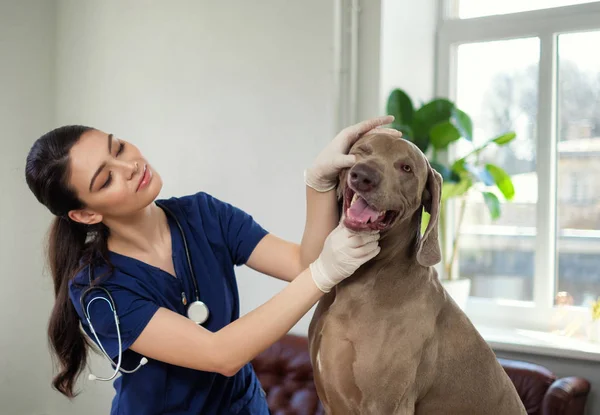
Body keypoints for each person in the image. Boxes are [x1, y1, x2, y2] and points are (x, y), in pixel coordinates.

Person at [24, 116, 399, 414]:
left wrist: (317, 185)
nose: (130, 165)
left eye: (119, 147)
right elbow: (221, 355)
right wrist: (323, 274)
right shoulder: (98, 290)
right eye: (106, 178)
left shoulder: (204, 215)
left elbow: (301, 263)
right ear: (87, 214)